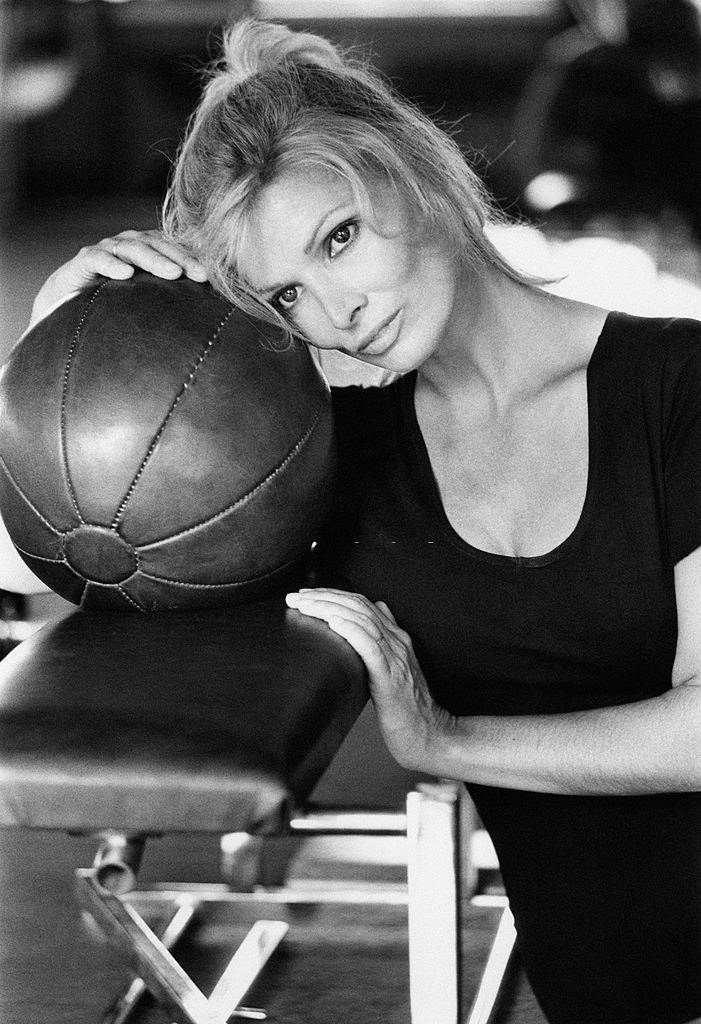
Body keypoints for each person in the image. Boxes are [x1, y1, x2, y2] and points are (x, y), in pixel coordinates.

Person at [25, 18, 701, 1024]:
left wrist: (446, 739)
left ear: (412, 172)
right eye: (287, 292)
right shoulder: (335, 466)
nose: (336, 309)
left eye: (337, 238)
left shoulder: (678, 383)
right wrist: (62, 340)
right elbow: (73, 569)